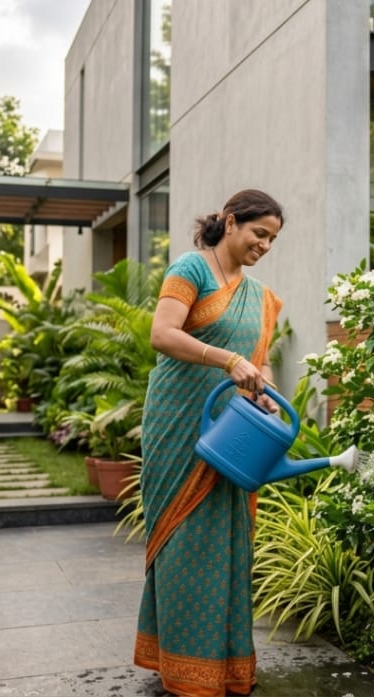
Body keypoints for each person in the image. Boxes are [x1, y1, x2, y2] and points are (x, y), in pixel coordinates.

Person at [133, 189, 285, 696]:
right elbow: (162, 333)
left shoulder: (260, 296)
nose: (264, 245)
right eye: (258, 233)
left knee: (226, 545)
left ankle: (225, 667)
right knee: (185, 542)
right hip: (178, 426)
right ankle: (182, 670)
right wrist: (226, 360)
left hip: (233, 433)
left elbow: (257, 362)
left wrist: (264, 392)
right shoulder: (190, 269)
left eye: (272, 239)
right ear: (229, 221)